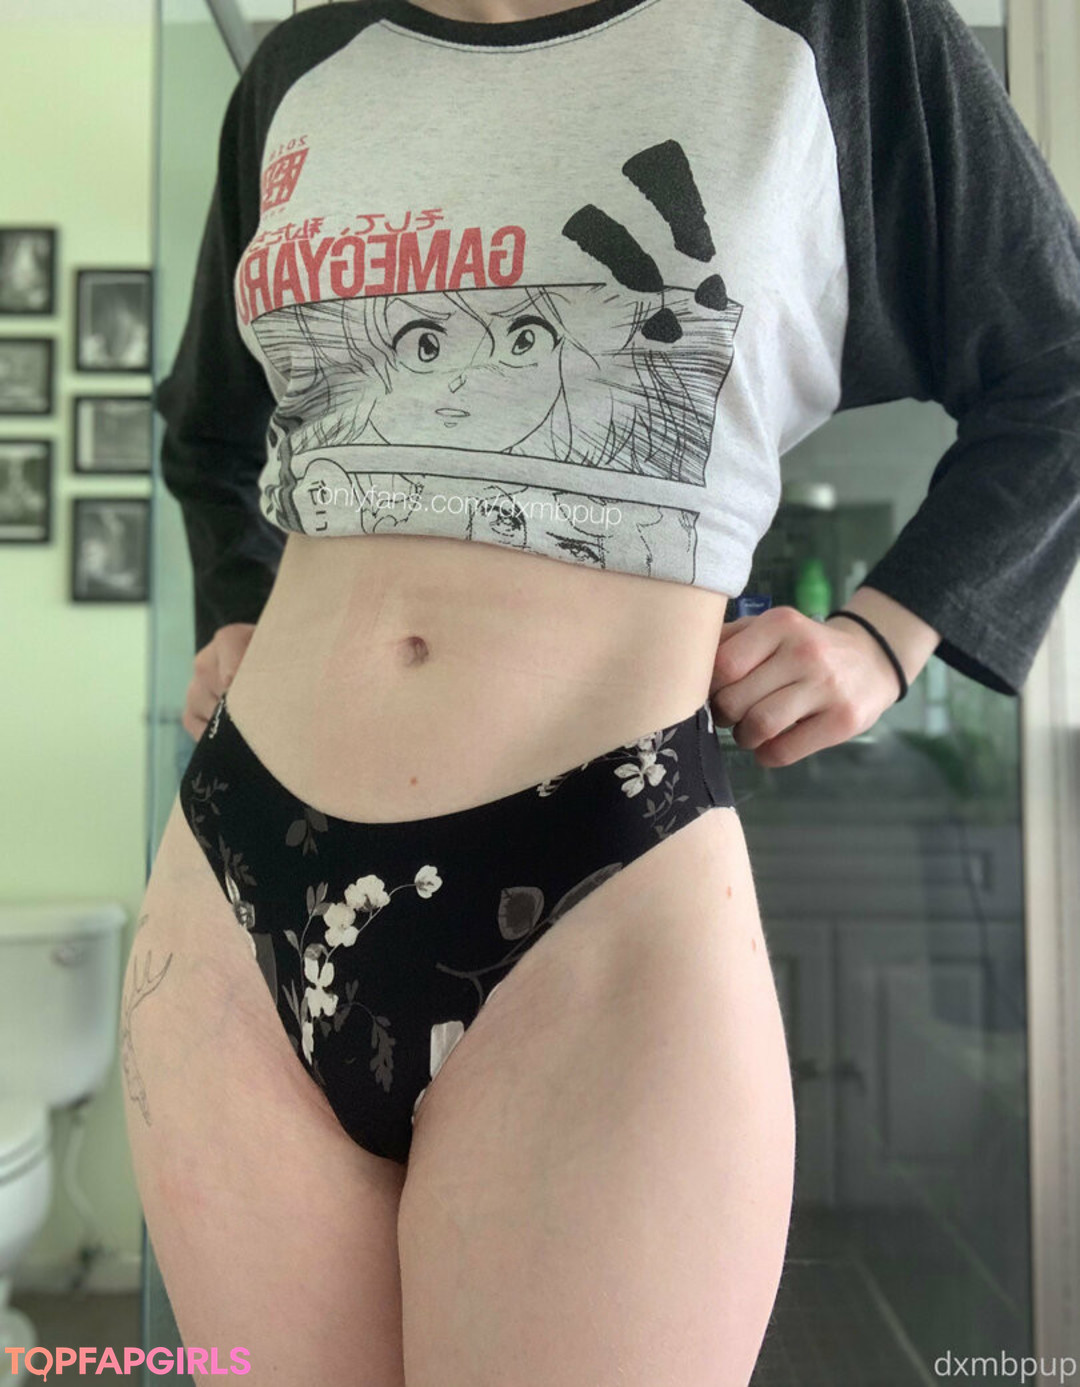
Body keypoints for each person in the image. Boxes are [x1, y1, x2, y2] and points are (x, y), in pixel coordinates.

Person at [121, 0, 1080, 1382]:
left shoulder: (830, 33)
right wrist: (232, 602)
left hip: (594, 874)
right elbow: (210, 426)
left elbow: (1056, 369)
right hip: (233, 875)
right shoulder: (299, 68)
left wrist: (890, 632)